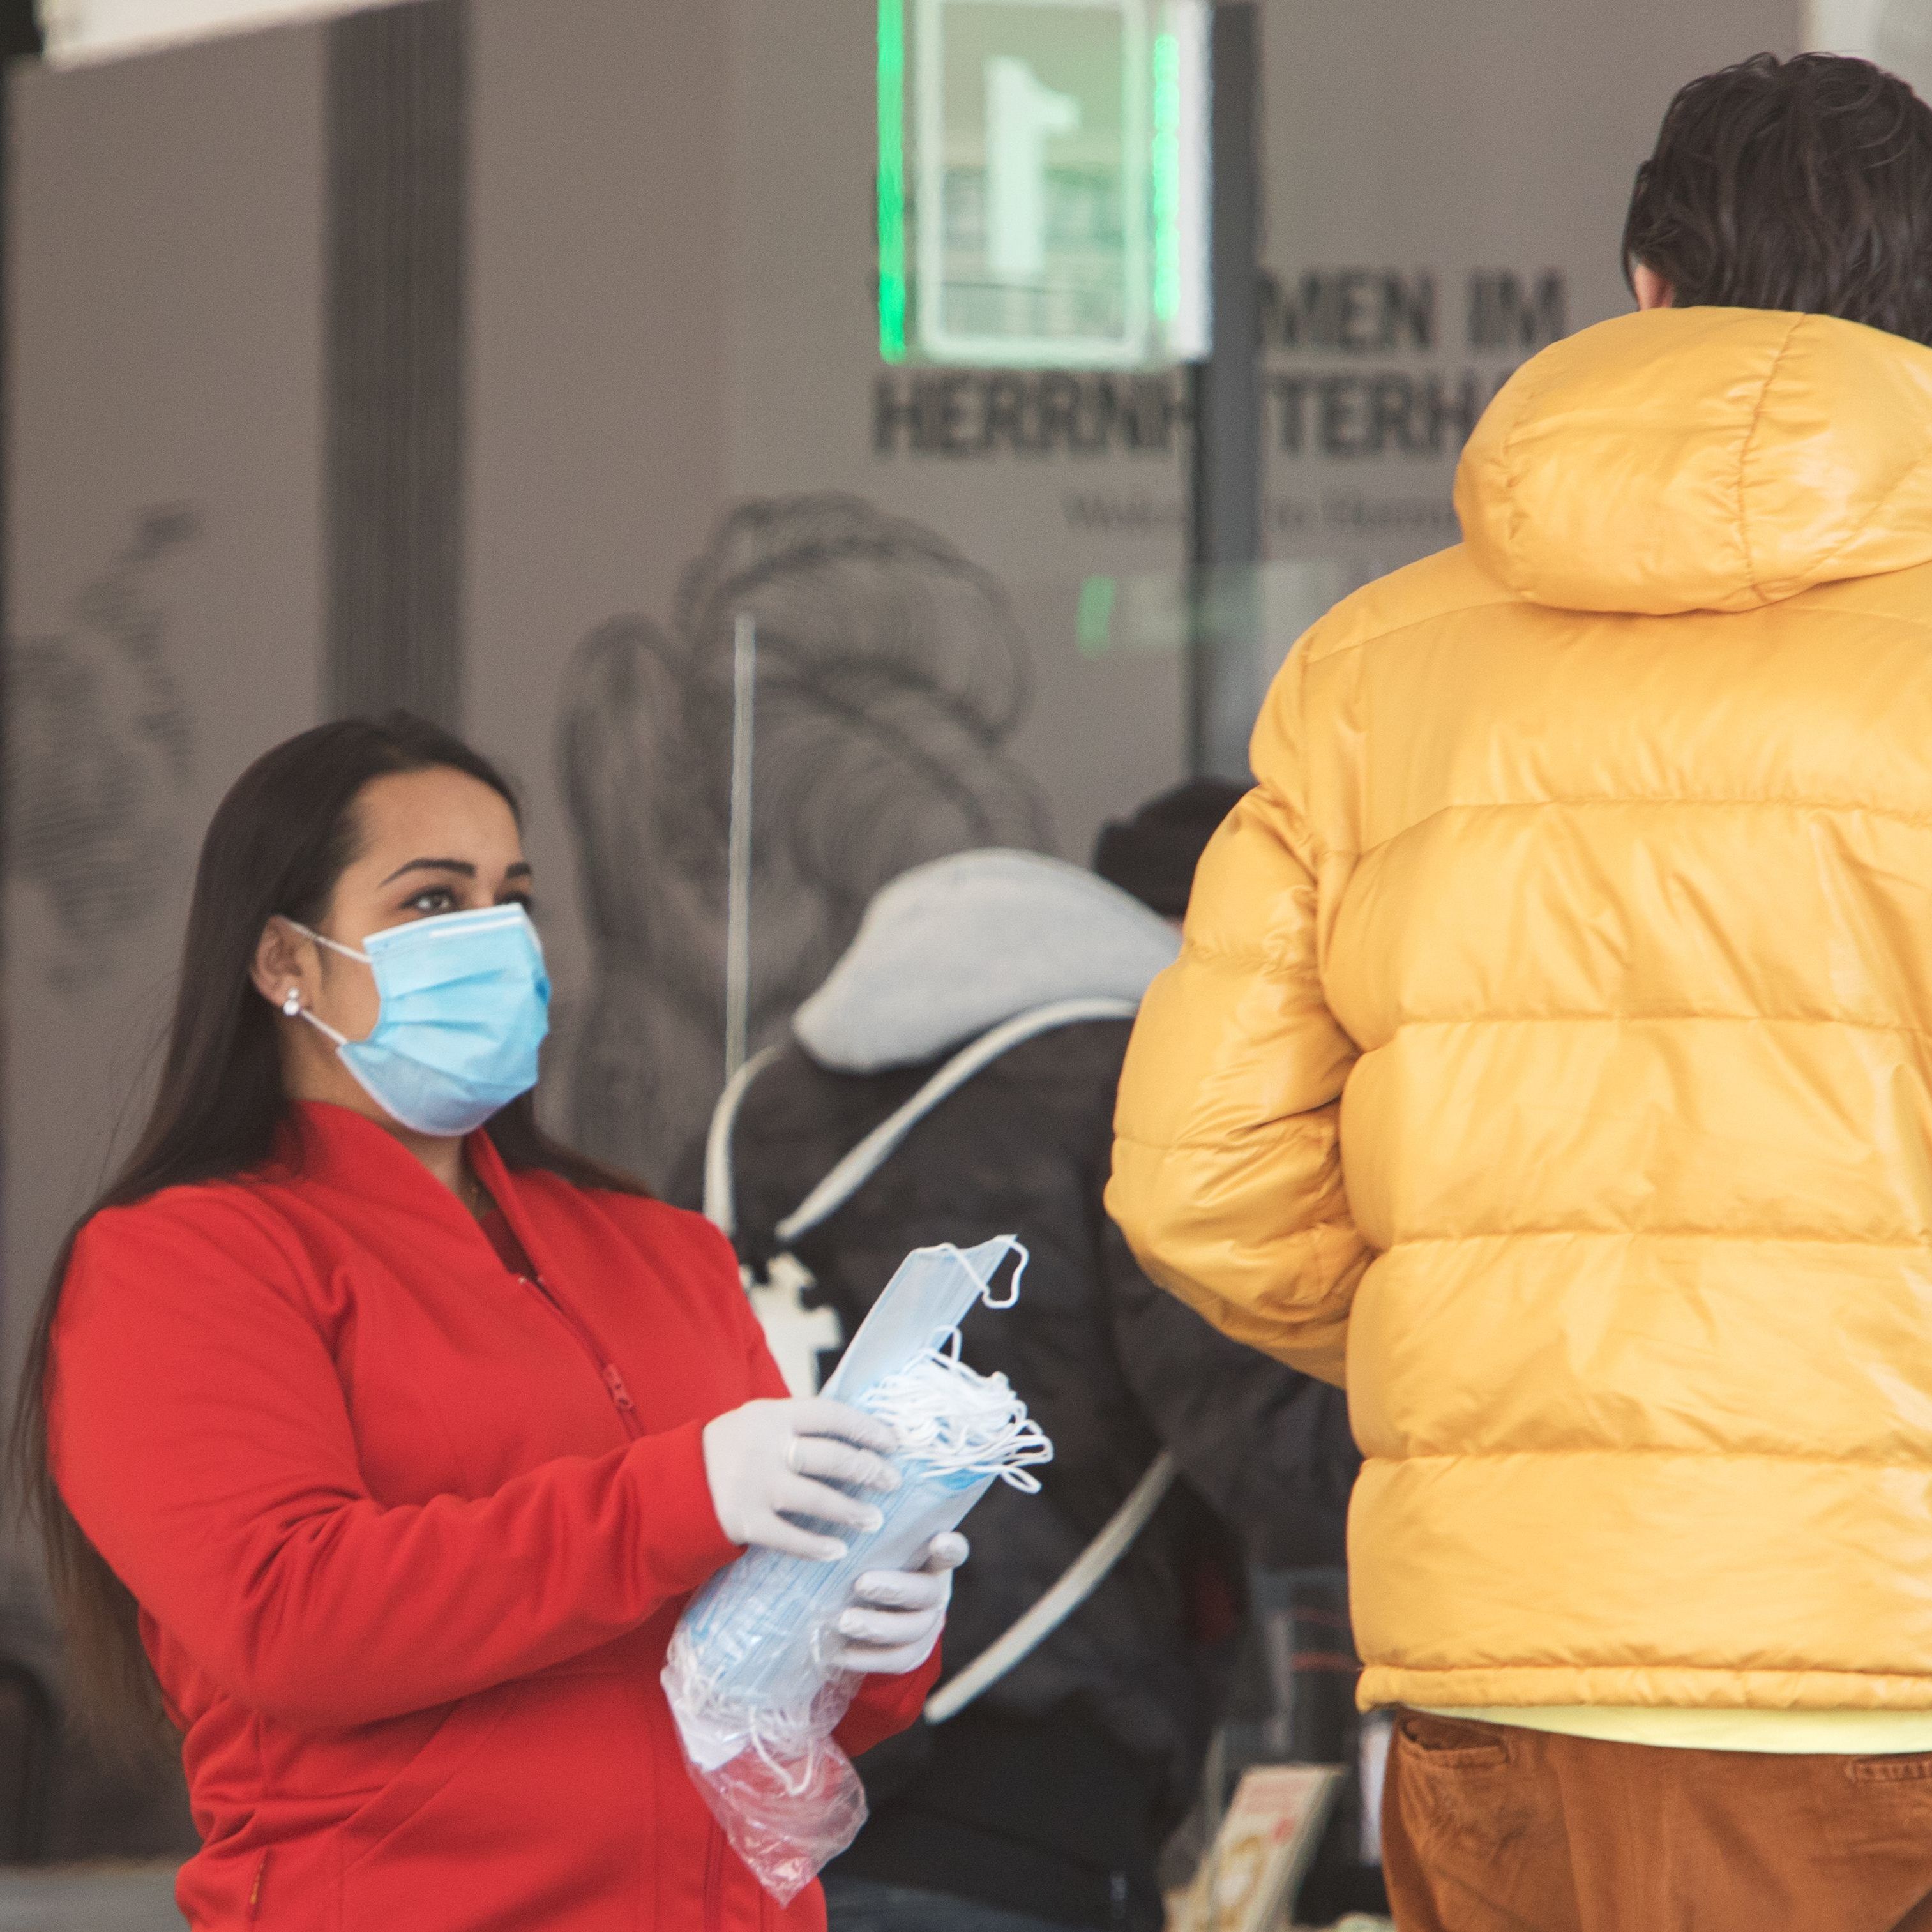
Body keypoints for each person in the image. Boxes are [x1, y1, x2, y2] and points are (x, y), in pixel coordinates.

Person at [1106, 50, 1932, 1932]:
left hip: (1506, 1663)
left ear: (1646, 285)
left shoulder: (1369, 669)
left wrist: (1505, 1345)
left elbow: (1196, 1179)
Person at [9, 713, 964, 1932]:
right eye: (431, 899)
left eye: (512, 897)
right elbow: (284, 1619)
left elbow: (759, 1687)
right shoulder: (184, 1256)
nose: (495, 936)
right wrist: (678, 1497)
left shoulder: (661, 1246)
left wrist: (862, 1630)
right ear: (284, 960)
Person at [715, 789, 1359, 1932]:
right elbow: (1280, 1457)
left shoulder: (755, 1103)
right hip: (1028, 1801)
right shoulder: (1139, 1089)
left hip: (760, 1794)